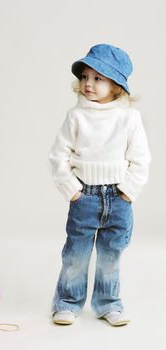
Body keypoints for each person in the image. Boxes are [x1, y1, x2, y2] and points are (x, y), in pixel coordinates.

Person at [48, 43, 151, 327]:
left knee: (110, 256)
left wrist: (128, 192)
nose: (88, 84)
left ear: (116, 85)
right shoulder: (76, 116)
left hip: (118, 198)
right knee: (76, 255)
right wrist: (73, 190)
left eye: (97, 78)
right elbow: (58, 156)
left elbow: (141, 159)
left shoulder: (130, 118)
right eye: (84, 77)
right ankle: (67, 302)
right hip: (86, 197)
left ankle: (108, 304)